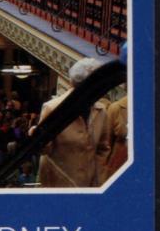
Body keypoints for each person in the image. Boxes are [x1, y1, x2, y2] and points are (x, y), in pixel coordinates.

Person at [35, 57, 111, 187]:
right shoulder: (53, 108)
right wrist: (36, 136)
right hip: (58, 184)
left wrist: (99, 181)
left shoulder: (101, 110)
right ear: (86, 86)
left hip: (90, 186)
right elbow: (44, 150)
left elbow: (103, 149)